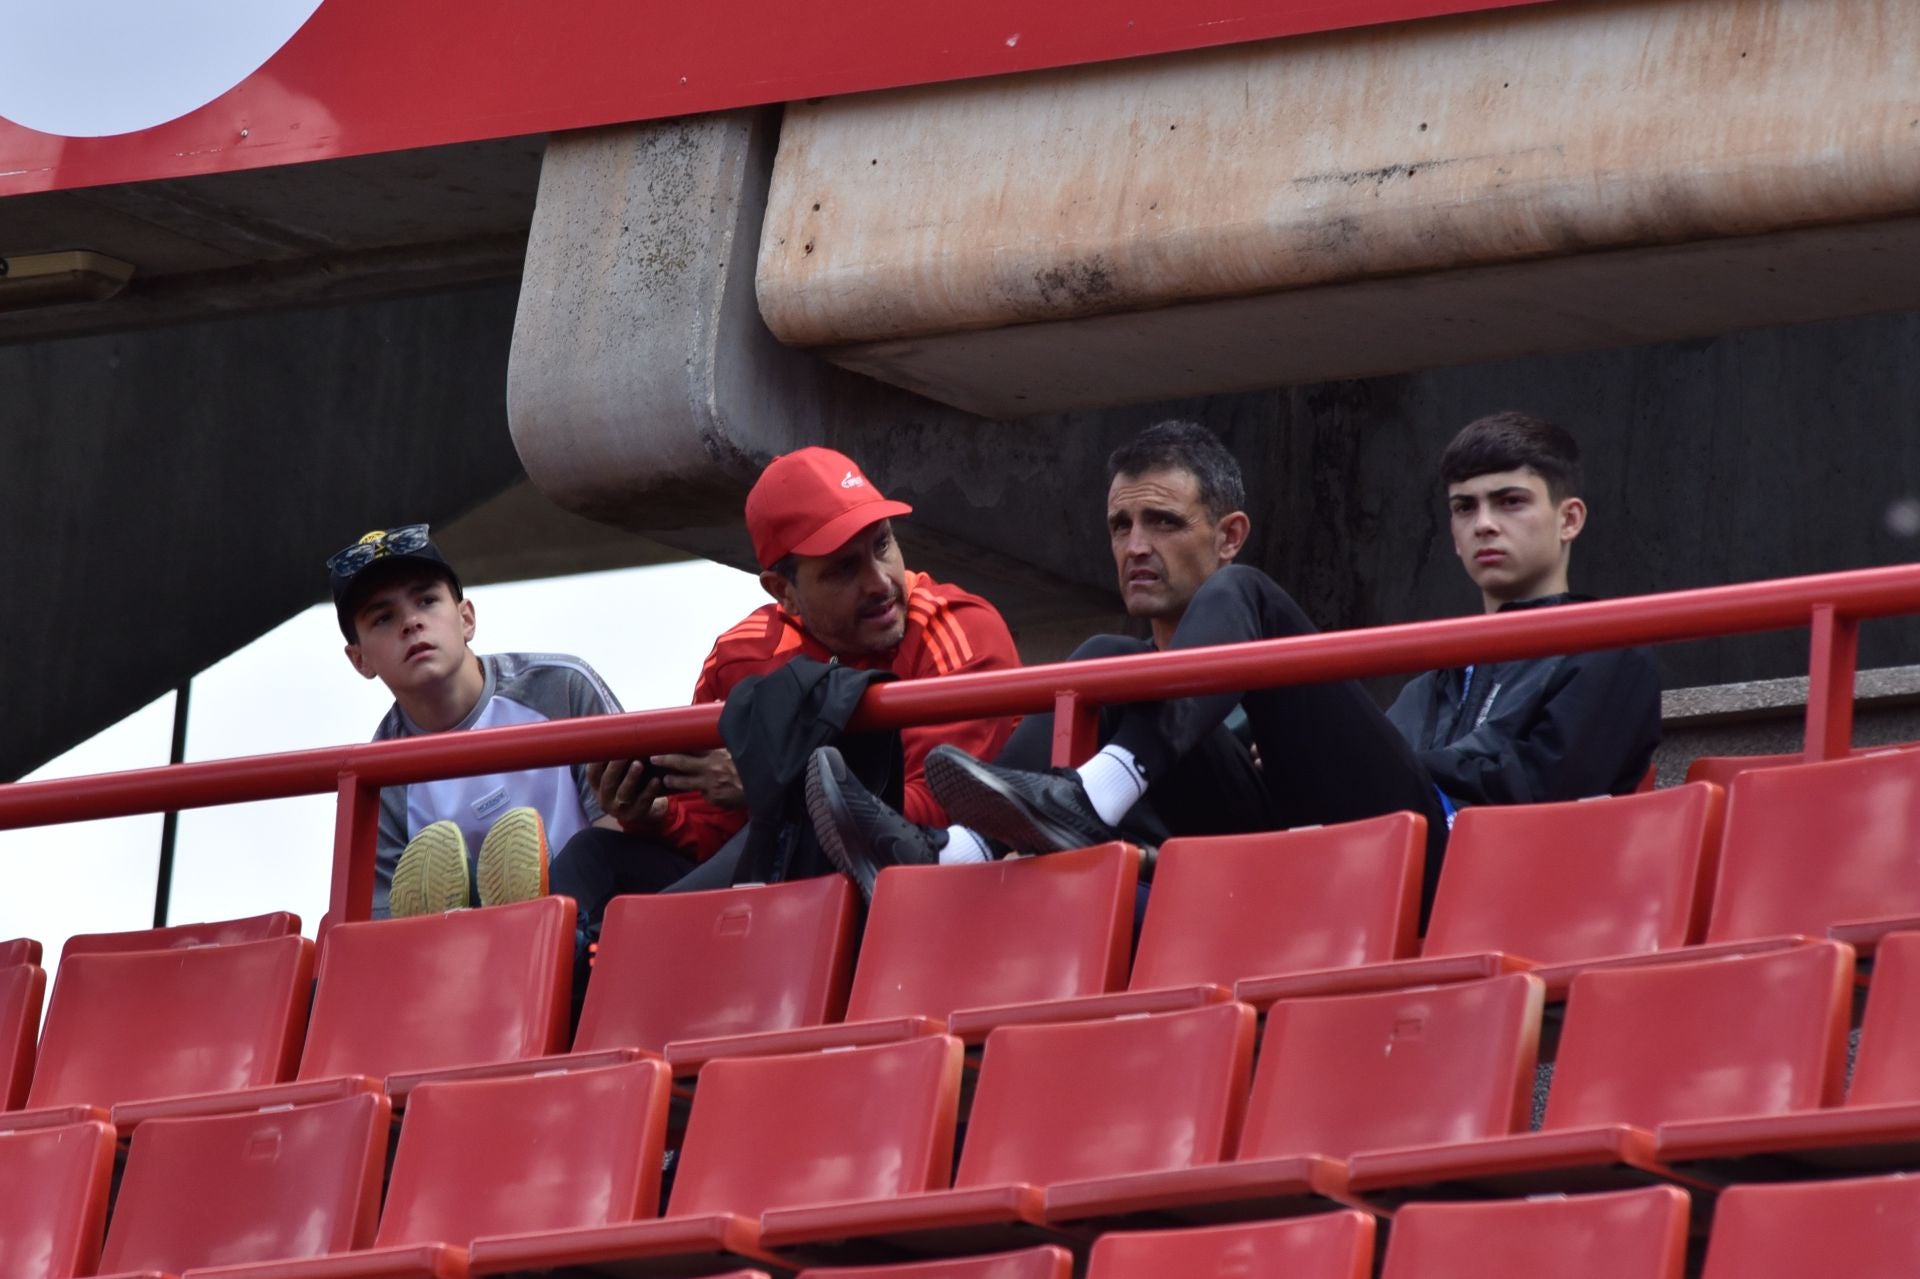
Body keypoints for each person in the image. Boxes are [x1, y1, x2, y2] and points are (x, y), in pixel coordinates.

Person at [810, 415, 1660, 904]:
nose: (1483, 524)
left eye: (1509, 503)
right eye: (1465, 507)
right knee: (1109, 658)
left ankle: (1096, 790)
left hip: (1452, 870)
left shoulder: (1612, 649)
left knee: (1246, 596)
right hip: (1327, 852)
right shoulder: (1438, 673)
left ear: (1569, 519)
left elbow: (1538, 795)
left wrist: (1344, 746)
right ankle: (953, 853)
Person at [549, 445, 1022, 928]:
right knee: (592, 854)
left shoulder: (958, 631)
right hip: (783, 903)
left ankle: (613, 948)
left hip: (935, 900)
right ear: (783, 592)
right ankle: (555, 957)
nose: (879, 582)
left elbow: (933, 824)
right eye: (844, 568)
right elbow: (718, 833)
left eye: (882, 545)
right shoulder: (744, 656)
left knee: (778, 832)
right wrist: (656, 815)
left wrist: (768, 787)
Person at [329, 524, 624, 919]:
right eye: (383, 618)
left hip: (596, 925)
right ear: (359, 659)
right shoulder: (377, 779)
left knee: (594, 857)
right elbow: (380, 920)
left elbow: (626, 826)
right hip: (463, 965)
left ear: (466, 619)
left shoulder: (560, 687)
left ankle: (529, 919)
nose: (411, 622)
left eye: (427, 600)